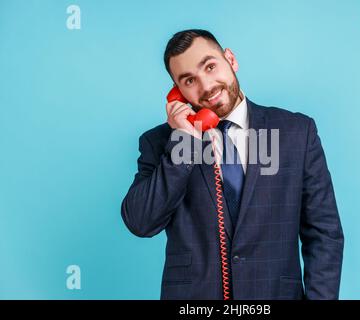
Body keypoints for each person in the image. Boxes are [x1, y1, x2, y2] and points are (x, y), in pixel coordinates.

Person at [121, 29, 344, 300]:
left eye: (211, 66)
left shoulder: (297, 131)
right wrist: (184, 144)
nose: (206, 87)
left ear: (231, 60)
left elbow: (324, 234)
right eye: (189, 80)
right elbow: (141, 223)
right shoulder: (160, 143)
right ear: (176, 93)